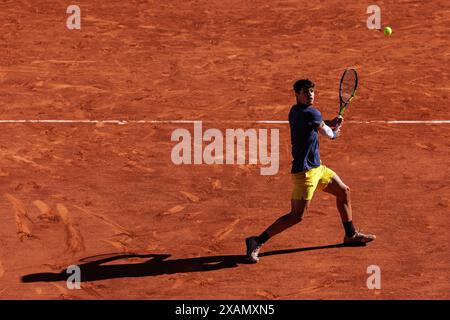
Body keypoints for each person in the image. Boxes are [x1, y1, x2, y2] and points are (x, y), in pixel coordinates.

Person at [245, 79, 375, 263]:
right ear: (297, 94)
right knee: (296, 216)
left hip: (318, 169)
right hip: (305, 174)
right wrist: (335, 131)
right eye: (306, 92)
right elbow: (327, 133)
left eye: (312, 91)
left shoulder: (295, 111)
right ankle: (256, 241)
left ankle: (350, 234)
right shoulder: (311, 113)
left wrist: (329, 122)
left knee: (343, 192)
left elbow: (317, 125)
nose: (310, 95)